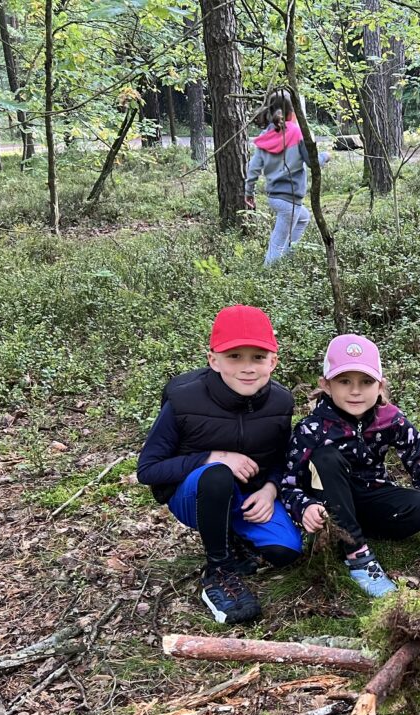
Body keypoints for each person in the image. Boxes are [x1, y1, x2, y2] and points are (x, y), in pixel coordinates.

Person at [137, 305, 301, 625]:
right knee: (217, 475)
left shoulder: (281, 402)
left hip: (249, 495)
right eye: (234, 356)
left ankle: (233, 537)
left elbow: (283, 458)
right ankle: (219, 571)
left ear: (273, 361)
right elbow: (148, 469)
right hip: (195, 496)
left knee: (285, 551)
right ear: (213, 360)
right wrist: (212, 457)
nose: (247, 367)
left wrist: (270, 490)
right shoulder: (184, 399)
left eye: (258, 357)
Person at [281, 334, 420, 597]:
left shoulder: (391, 419)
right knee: (326, 458)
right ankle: (358, 556)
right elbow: (288, 485)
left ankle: (351, 531)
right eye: (344, 381)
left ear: (380, 385)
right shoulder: (312, 429)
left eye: (366, 382)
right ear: (326, 385)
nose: (355, 391)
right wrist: (305, 507)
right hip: (329, 502)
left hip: (369, 494)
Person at [243, 91, 329, 265]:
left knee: (303, 218)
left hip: (274, 197)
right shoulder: (297, 133)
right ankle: (270, 273)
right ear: (293, 111)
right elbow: (312, 162)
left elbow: (253, 168)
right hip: (290, 200)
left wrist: (249, 192)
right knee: (276, 244)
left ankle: (288, 260)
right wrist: (325, 156)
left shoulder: (265, 134)